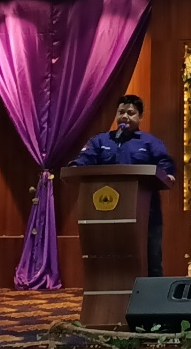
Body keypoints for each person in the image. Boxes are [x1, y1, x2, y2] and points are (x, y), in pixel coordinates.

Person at [71, 94, 176, 277]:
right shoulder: (100, 141)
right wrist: (75, 166)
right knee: (109, 262)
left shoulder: (150, 142)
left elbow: (164, 163)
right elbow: (85, 159)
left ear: (140, 117)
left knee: (151, 259)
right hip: (106, 214)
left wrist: (167, 173)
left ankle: (151, 293)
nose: (125, 116)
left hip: (146, 213)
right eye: (121, 112)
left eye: (131, 113)